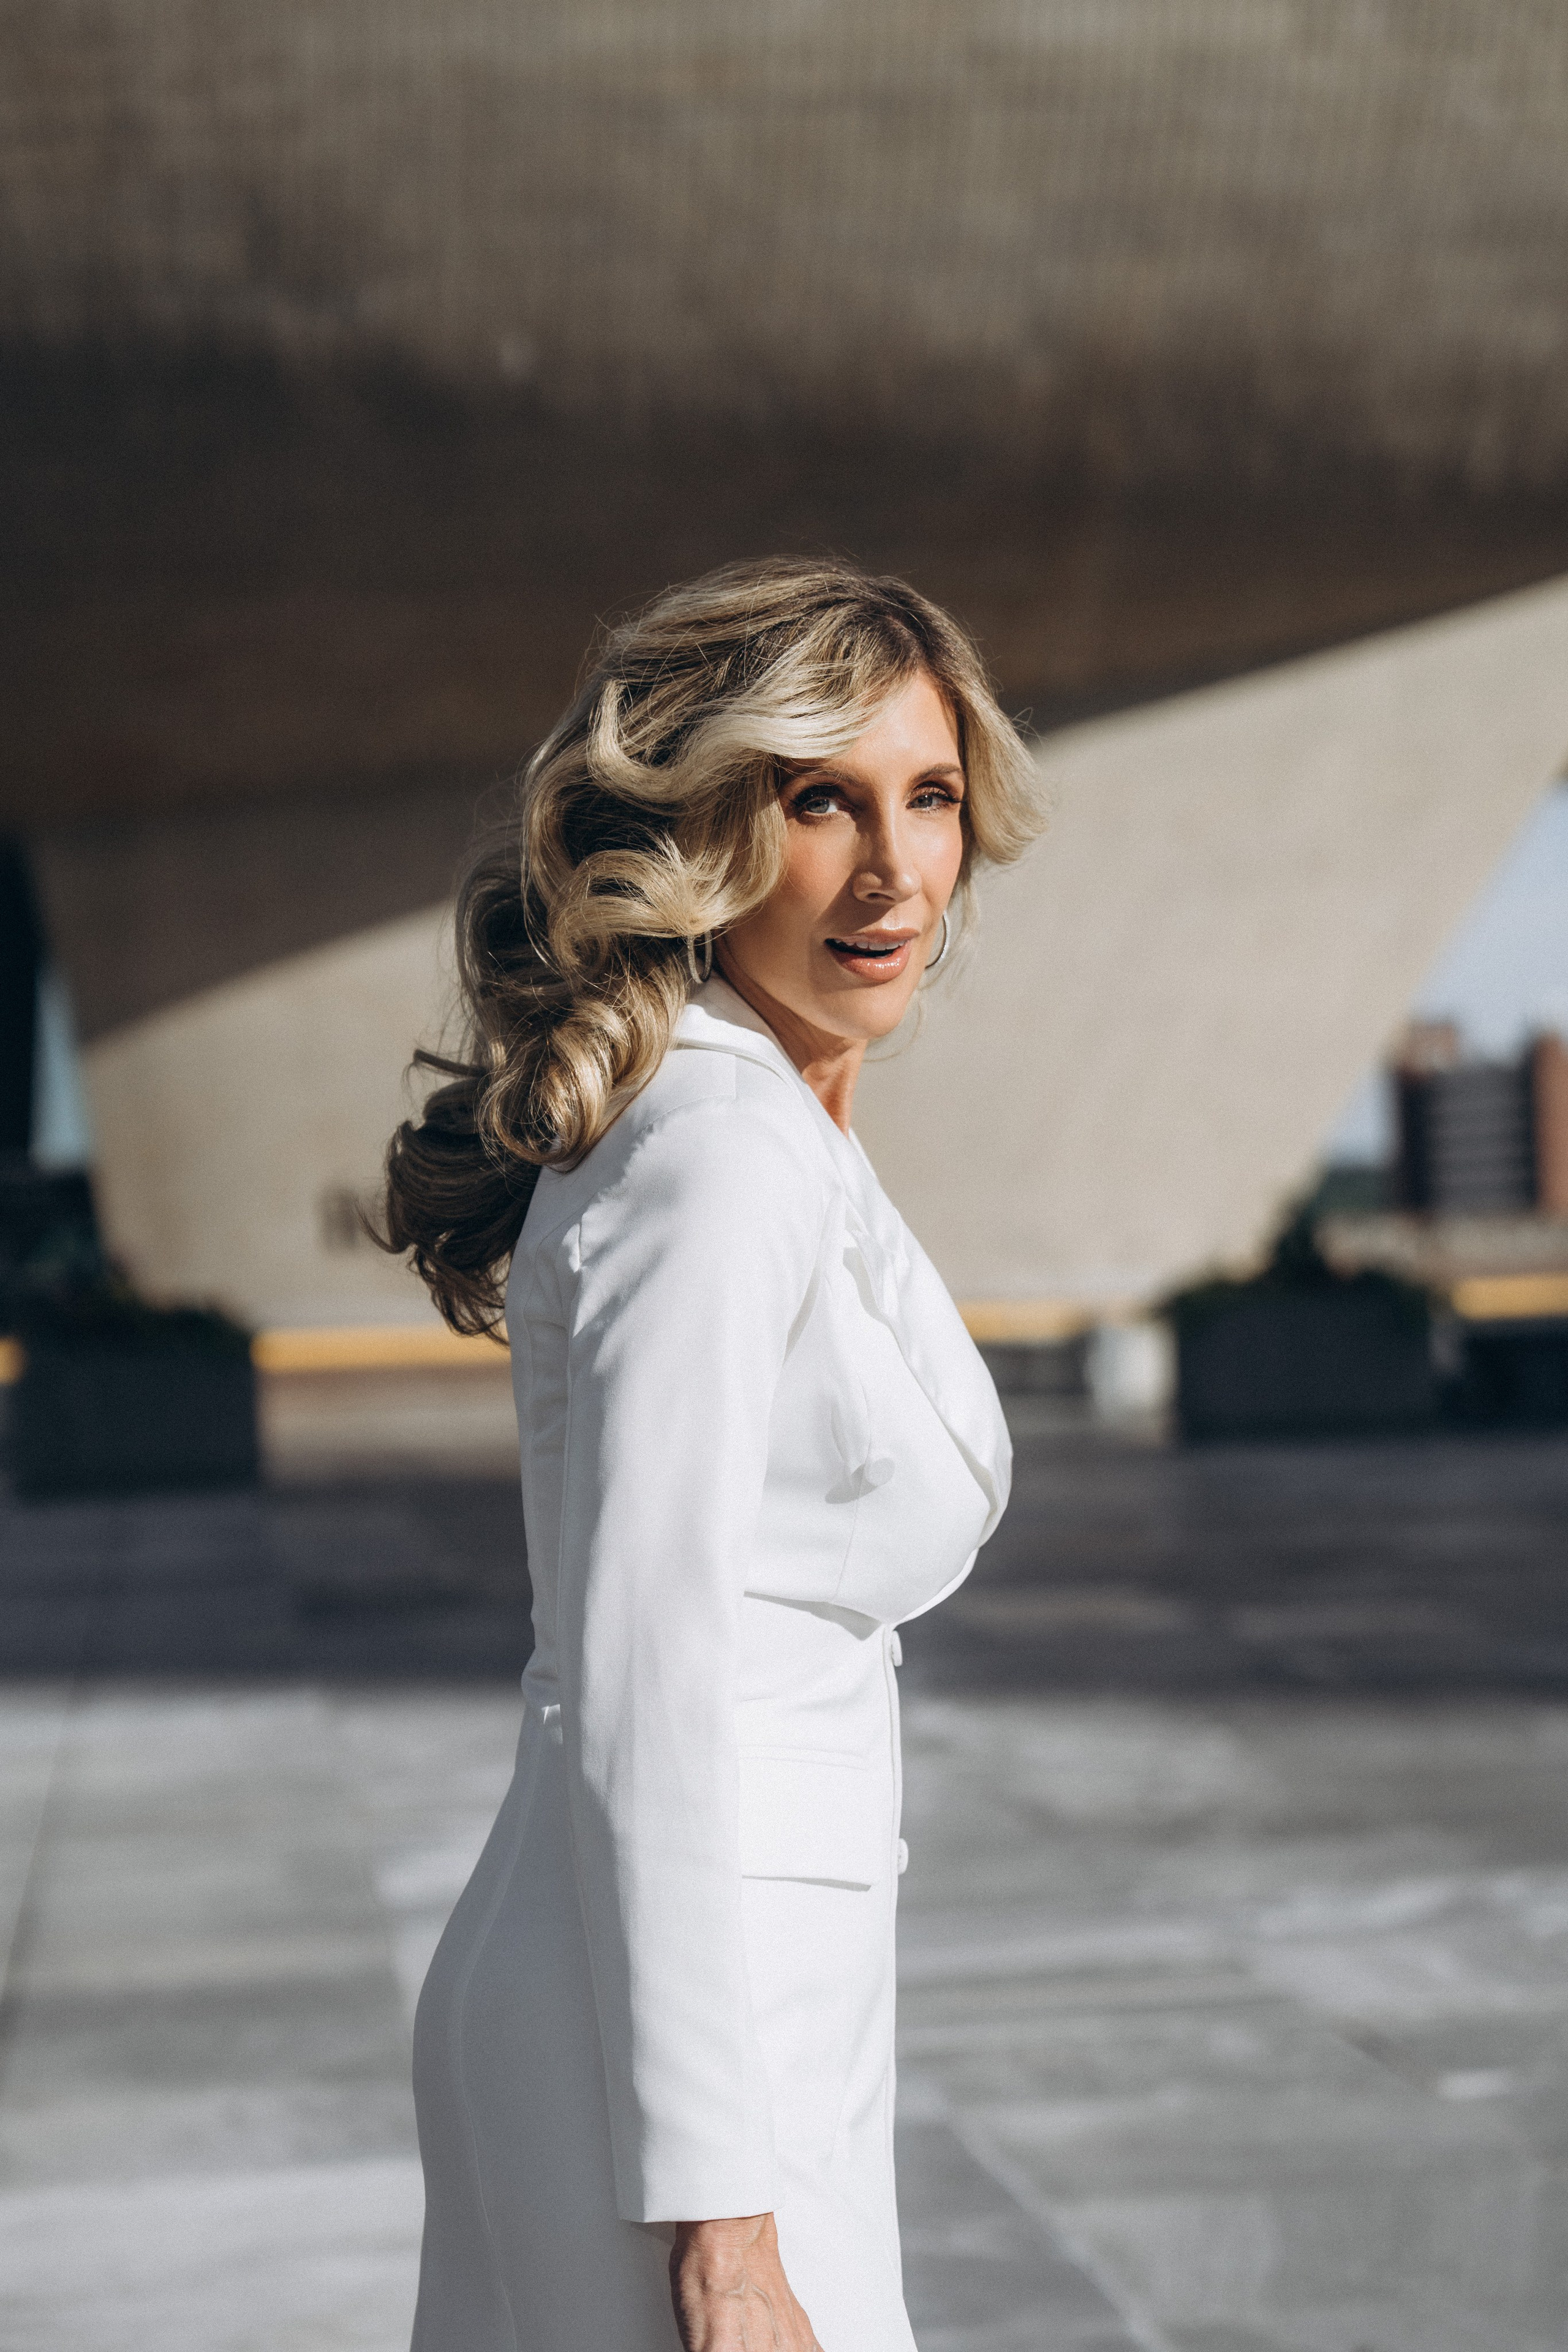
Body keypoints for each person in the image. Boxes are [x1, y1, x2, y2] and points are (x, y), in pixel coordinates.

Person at [379, 557, 1043, 2351]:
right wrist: (724, 2225)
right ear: (705, 829)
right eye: (820, 799)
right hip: (672, 2054)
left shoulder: (767, 1117)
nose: (897, 868)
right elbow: (644, 1679)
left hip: (712, 2013)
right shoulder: (718, 1155)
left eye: (931, 797)